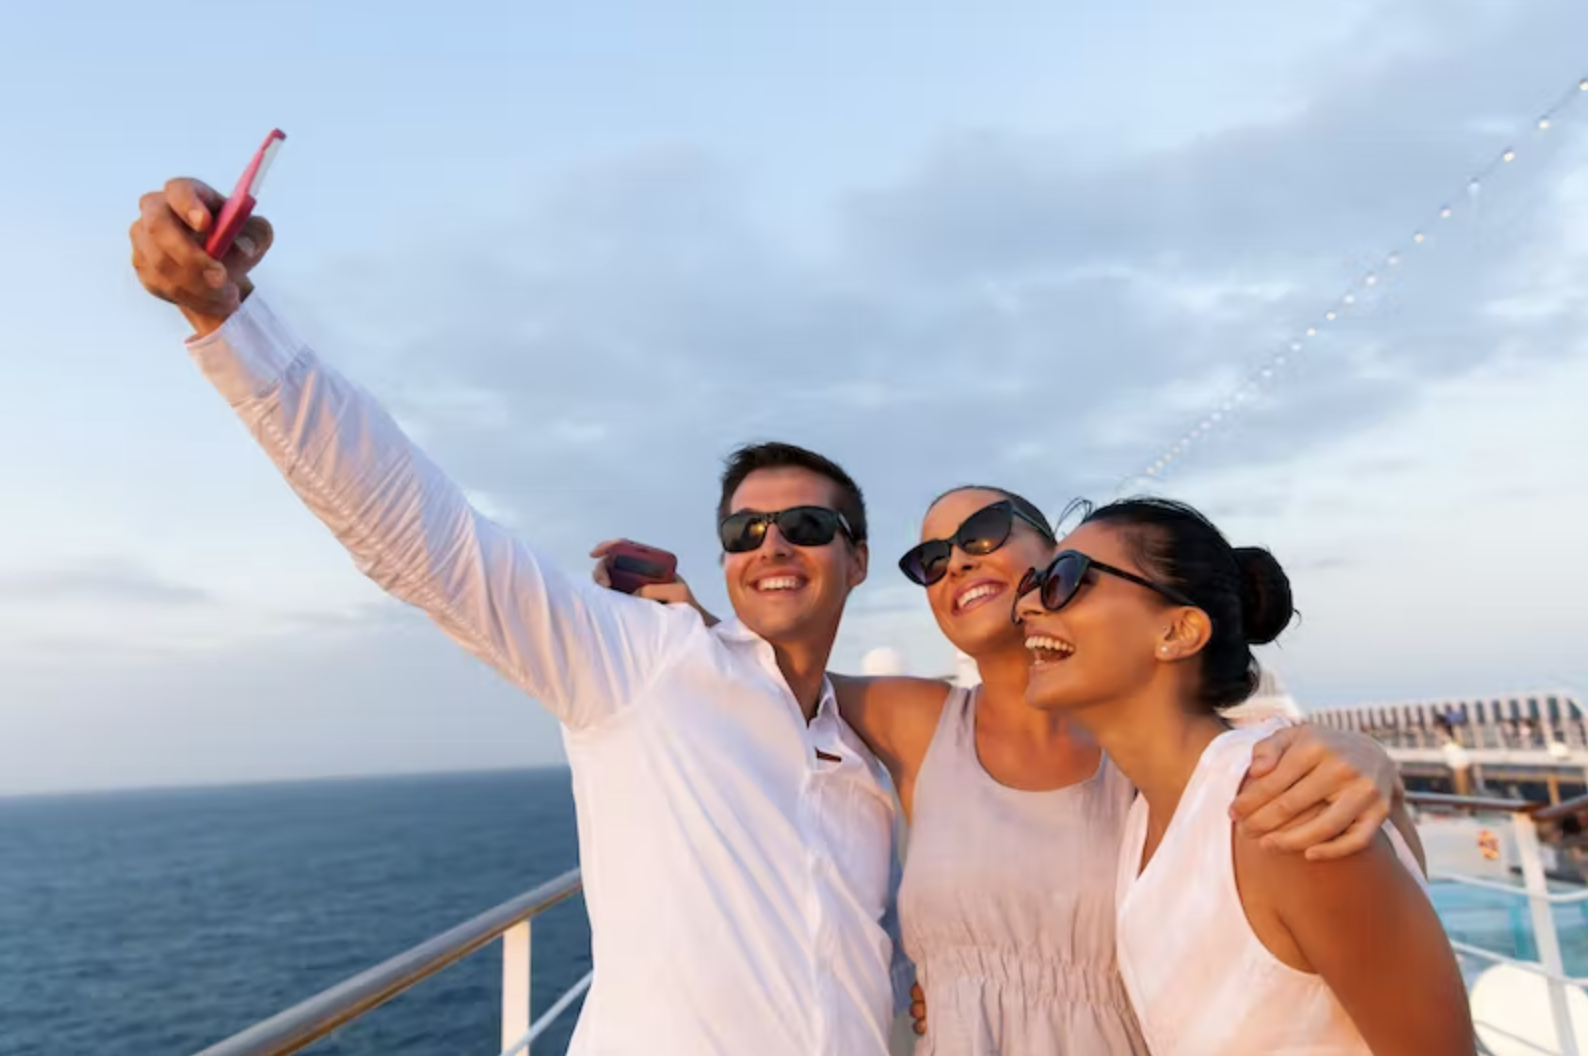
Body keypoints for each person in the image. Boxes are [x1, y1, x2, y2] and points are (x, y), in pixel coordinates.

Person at [131, 178, 899, 1056]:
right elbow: (428, 538)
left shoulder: (870, 756)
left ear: (858, 559)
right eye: (744, 530)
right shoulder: (645, 663)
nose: (773, 546)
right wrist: (229, 320)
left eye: (807, 527)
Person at [597, 486, 1417, 1055]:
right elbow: (773, 680)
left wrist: (1368, 758)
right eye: (930, 558)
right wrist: (694, 618)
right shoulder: (921, 722)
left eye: (985, 533)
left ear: (1054, 561)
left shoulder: (1160, 750)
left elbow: (1233, 771)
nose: (956, 561)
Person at [1015, 497, 1473, 1055]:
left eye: (1065, 579)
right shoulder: (1148, 818)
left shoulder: (1282, 808)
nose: (1028, 605)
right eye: (1034, 583)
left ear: (1179, 631)